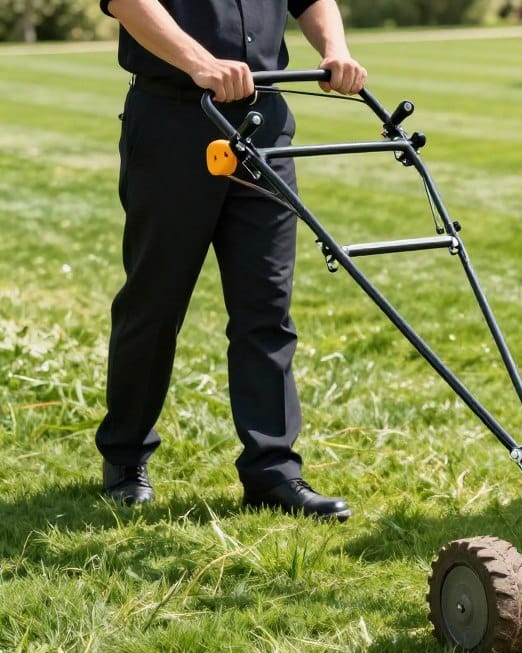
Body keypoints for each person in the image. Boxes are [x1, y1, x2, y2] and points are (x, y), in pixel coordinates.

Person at [96, 0, 367, 522]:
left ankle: (273, 472)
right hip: (174, 119)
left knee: (266, 305)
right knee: (155, 301)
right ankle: (125, 457)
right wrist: (199, 61)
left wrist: (335, 49)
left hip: (265, 126)